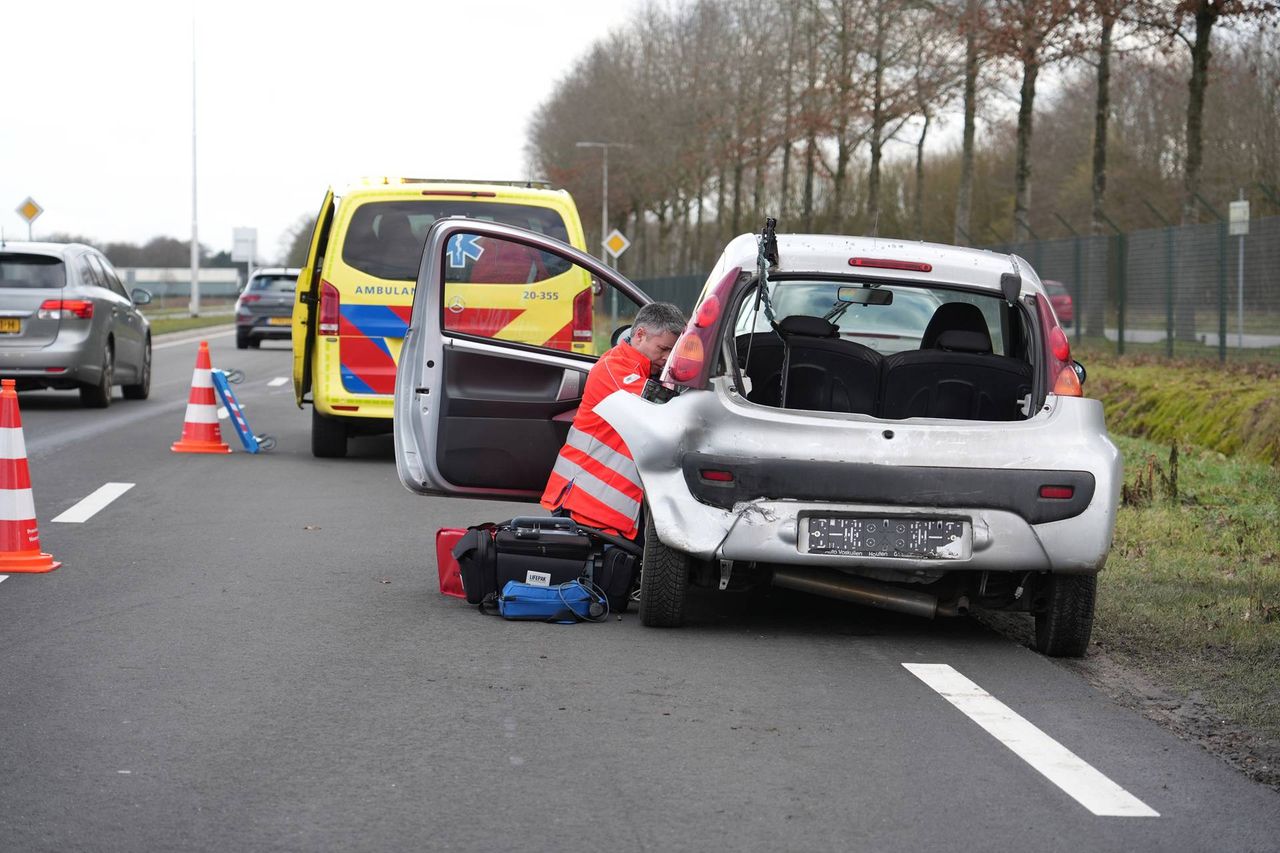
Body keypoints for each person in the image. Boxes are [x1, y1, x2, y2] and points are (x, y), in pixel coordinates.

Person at [540, 302, 687, 541]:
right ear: (639, 335)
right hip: (585, 503)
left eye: (674, 352)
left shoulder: (641, 370)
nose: (667, 358)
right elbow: (664, 406)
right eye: (663, 349)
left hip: (604, 505)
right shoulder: (614, 368)